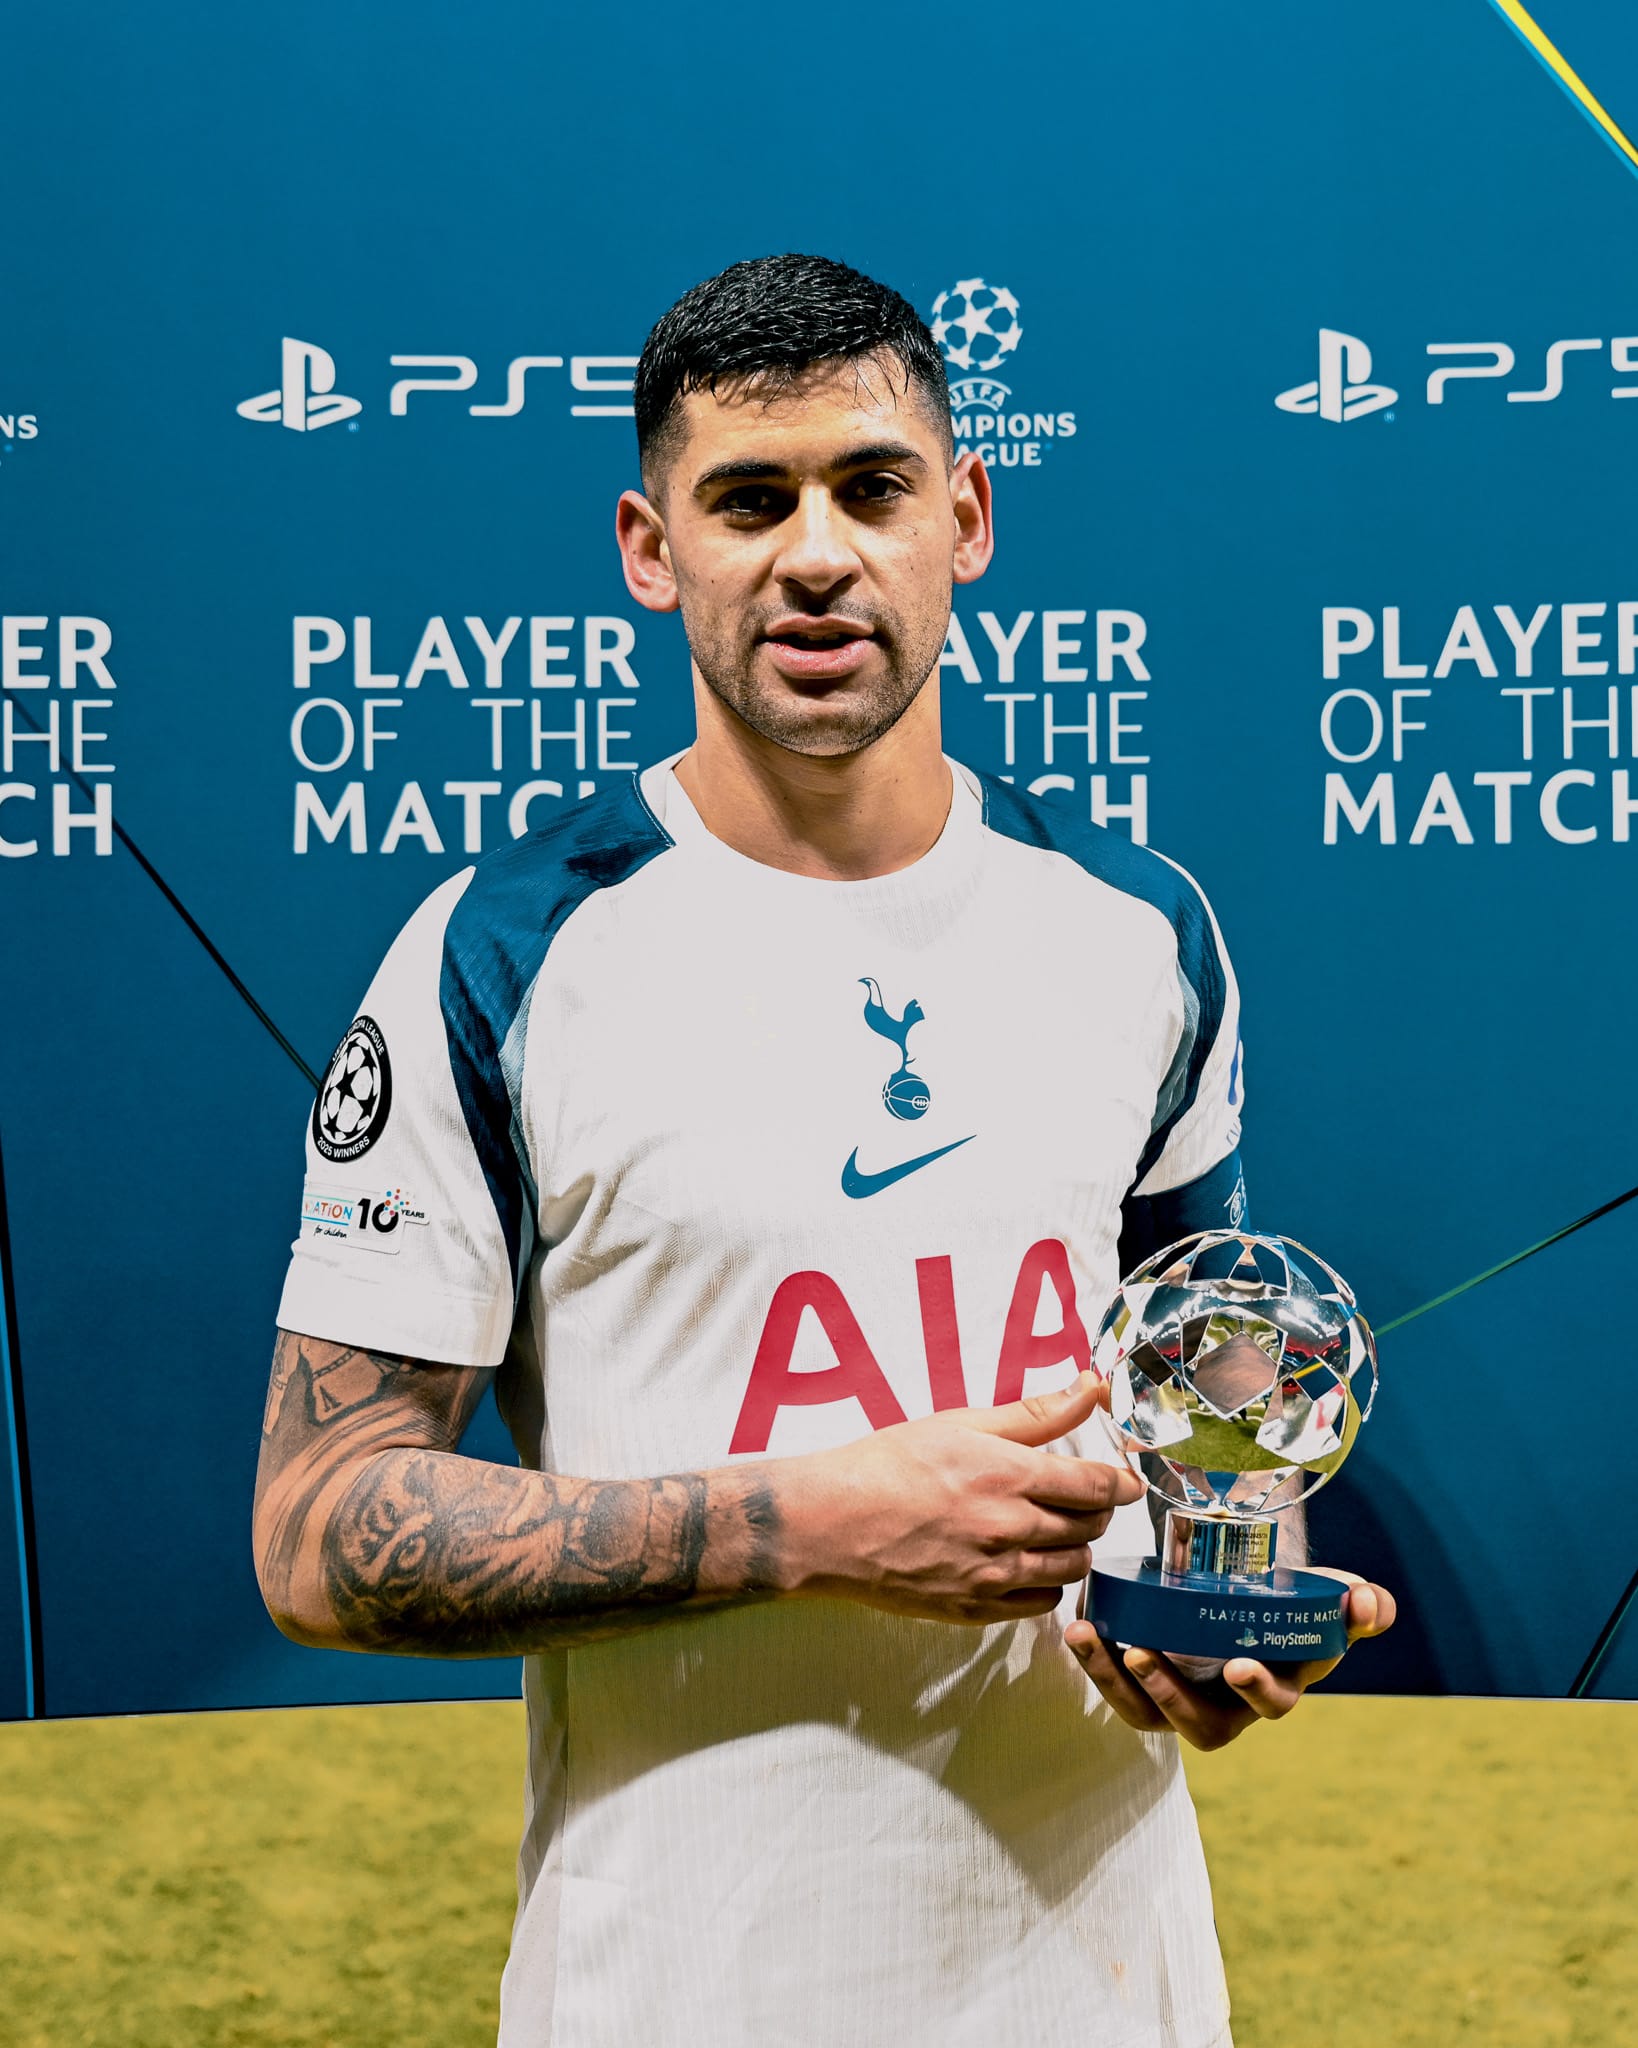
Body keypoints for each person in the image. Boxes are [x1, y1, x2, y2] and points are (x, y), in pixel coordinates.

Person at [254, 253, 1394, 2048]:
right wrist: (812, 1522)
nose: (813, 553)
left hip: (1108, 1984)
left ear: (965, 517)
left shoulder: (1140, 930)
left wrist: (1203, 1620)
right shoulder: (499, 954)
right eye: (746, 500)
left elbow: (1186, 1405)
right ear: (650, 550)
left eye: (868, 488)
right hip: (681, 1986)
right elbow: (322, 1534)